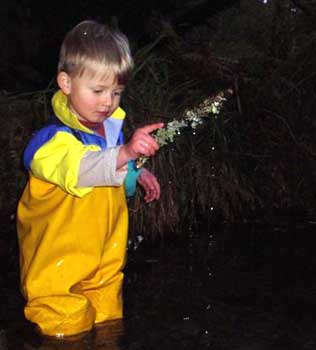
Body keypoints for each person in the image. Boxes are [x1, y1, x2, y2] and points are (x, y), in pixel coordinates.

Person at [17, 20, 163, 338]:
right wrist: (124, 153)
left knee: (109, 324)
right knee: (66, 333)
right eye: (97, 90)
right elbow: (83, 168)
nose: (107, 102)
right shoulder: (49, 143)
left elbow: (109, 172)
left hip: (104, 264)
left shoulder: (110, 132)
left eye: (116, 92)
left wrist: (135, 173)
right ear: (66, 83)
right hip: (57, 271)